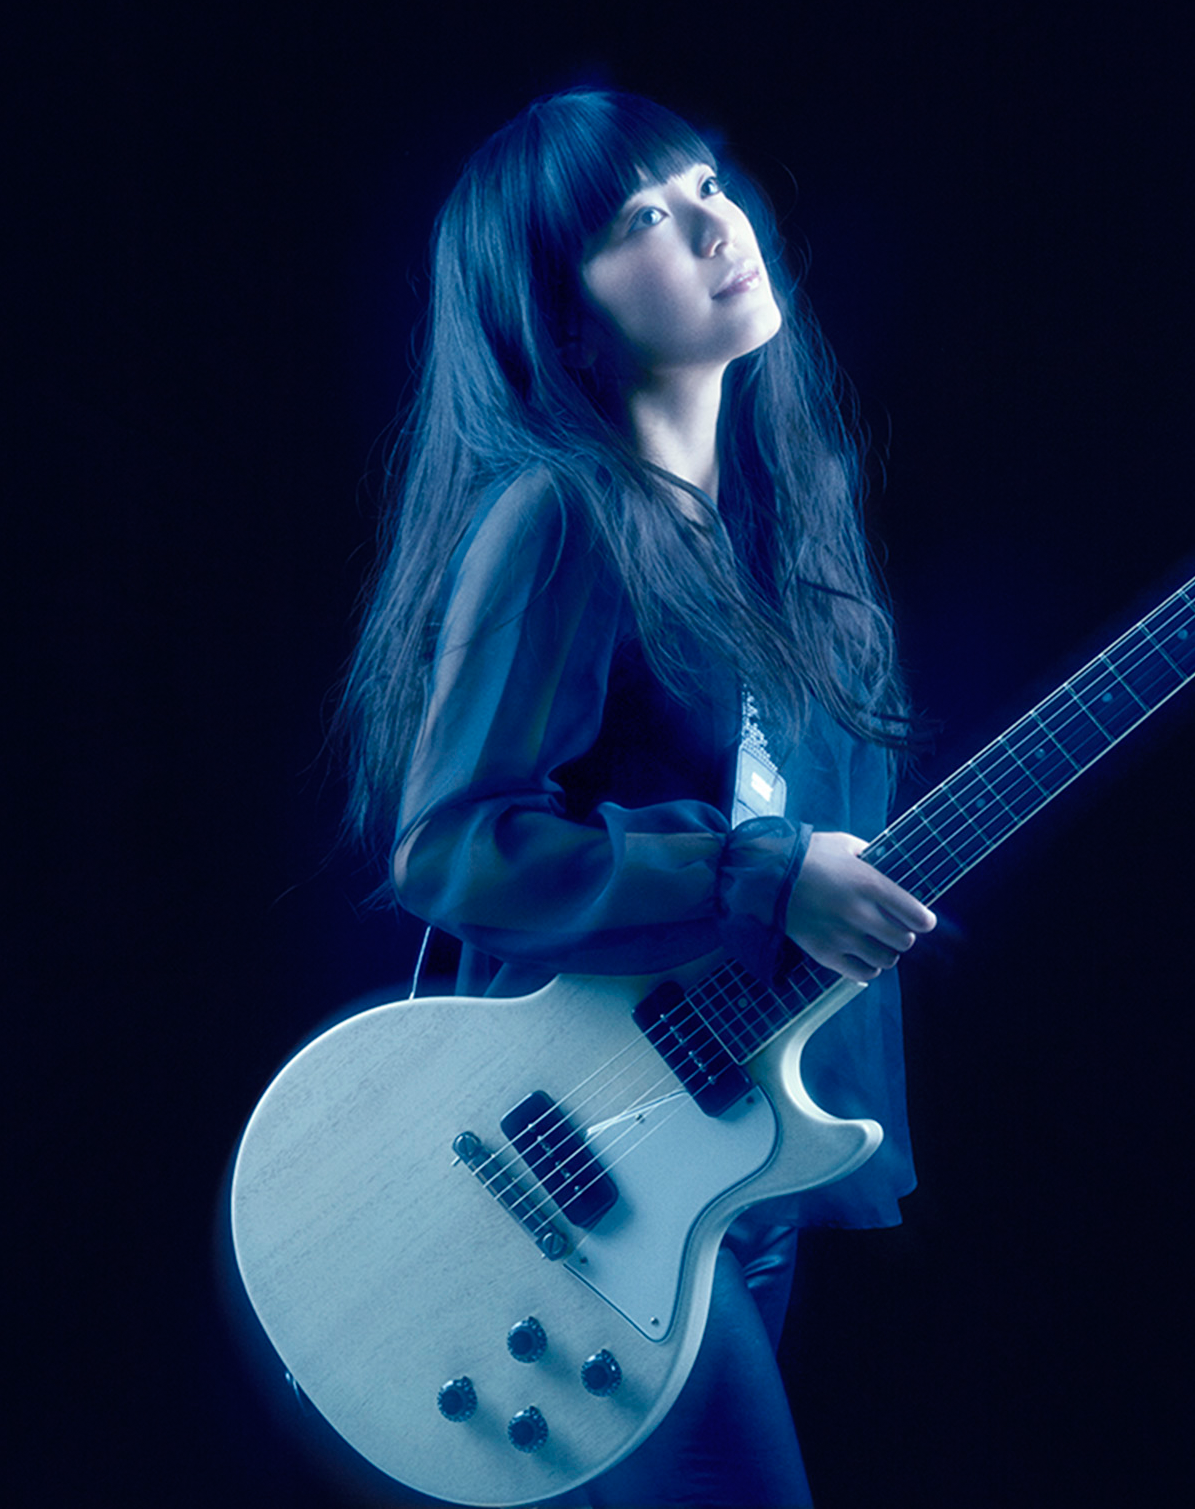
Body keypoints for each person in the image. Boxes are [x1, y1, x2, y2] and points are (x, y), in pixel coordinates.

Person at [338, 88, 936, 1507]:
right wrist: (763, 875)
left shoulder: (785, 538)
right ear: (563, 319)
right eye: (642, 219)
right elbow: (454, 846)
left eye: (708, 183)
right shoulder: (559, 516)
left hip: (720, 1156)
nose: (717, 225)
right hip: (567, 1181)